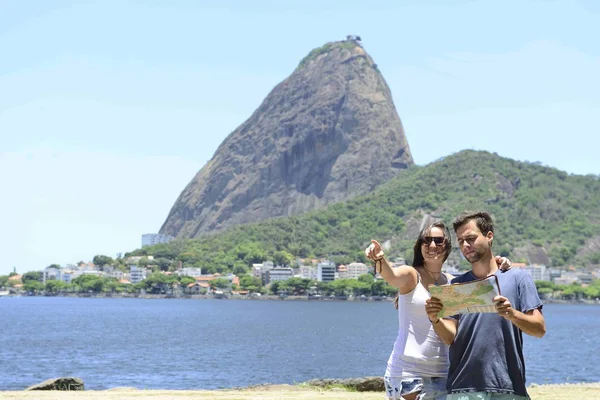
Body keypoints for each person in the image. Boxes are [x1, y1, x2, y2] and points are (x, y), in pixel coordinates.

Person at [365, 222, 511, 400]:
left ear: (447, 246)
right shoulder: (411, 275)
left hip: (444, 374)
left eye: (438, 241)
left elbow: (485, 288)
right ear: (420, 246)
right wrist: (379, 259)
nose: (432, 245)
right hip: (408, 373)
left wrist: (500, 263)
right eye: (426, 241)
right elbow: (391, 275)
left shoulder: (452, 283)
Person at [425, 211, 546, 400]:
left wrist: (511, 314)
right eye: (461, 241)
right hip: (462, 390)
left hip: (509, 388)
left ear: (489, 236)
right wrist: (435, 319)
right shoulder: (456, 286)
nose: (466, 245)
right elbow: (450, 337)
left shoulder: (518, 277)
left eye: (471, 238)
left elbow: (539, 329)